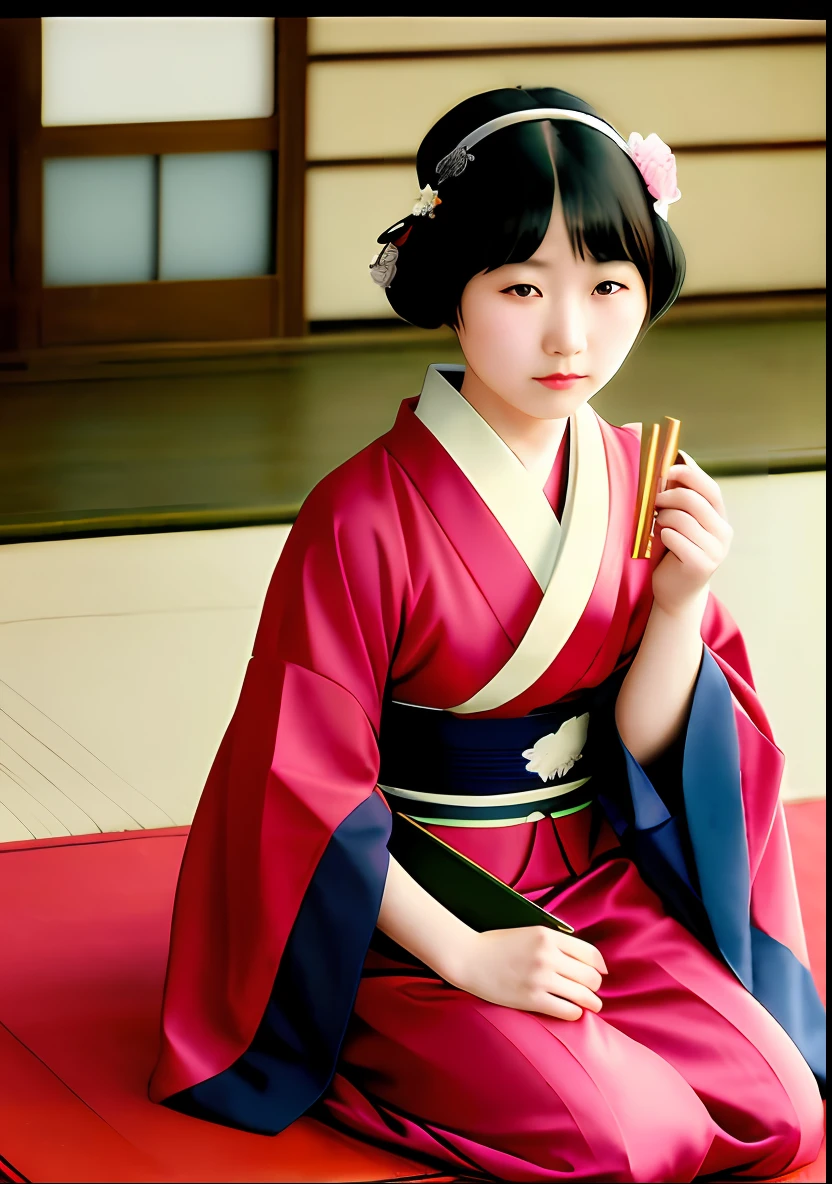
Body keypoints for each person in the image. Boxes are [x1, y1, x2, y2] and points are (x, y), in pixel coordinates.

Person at [149, 87, 825, 1182]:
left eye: (608, 285)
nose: (572, 334)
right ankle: (363, 1041)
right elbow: (304, 787)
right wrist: (465, 950)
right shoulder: (361, 513)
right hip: (407, 899)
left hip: (588, 878)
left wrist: (678, 600)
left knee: (783, 1109)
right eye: (521, 287)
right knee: (626, 1136)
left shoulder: (632, 477)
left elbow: (653, 741)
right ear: (450, 294)